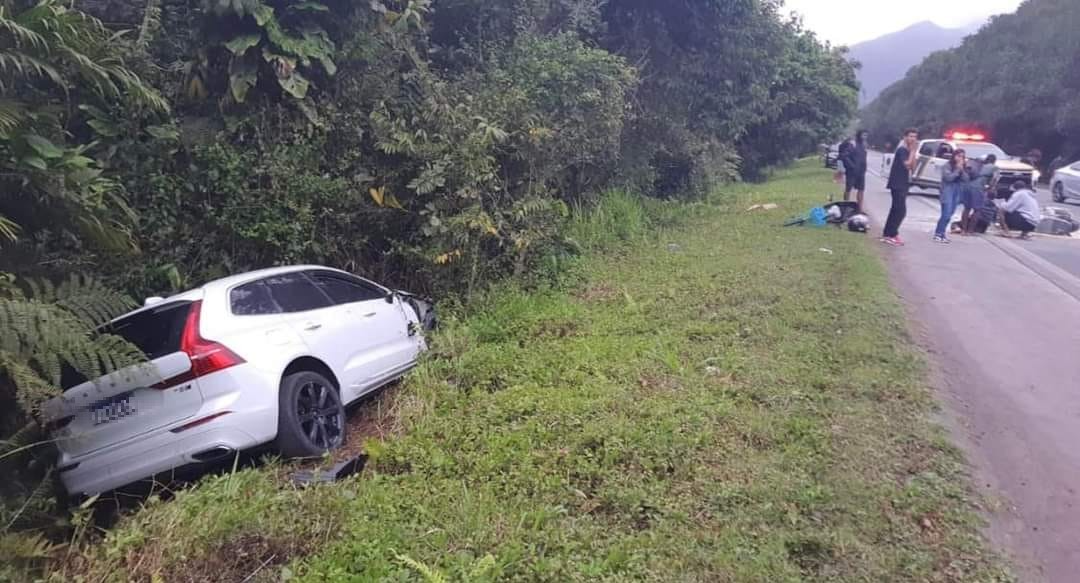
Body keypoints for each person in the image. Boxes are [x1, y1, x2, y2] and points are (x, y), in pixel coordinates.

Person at [883, 128, 919, 246]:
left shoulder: (909, 151)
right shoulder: (902, 150)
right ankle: (892, 234)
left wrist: (913, 154)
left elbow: (912, 168)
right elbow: (906, 164)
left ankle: (888, 233)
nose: (912, 139)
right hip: (897, 183)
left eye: (914, 136)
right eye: (910, 136)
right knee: (900, 211)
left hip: (904, 183)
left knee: (895, 209)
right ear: (905, 137)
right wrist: (913, 151)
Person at [935, 149, 972, 243]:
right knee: (946, 214)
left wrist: (962, 170)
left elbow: (966, 179)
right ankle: (938, 234)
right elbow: (948, 178)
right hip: (947, 191)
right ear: (954, 156)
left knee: (950, 214)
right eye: (958, 156)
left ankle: (942, 233)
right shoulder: (947, 166)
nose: (960, 159)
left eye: (962, 157)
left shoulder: (963, 167)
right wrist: (957, 170)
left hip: (957, 191)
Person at [961, 154, 999, 235]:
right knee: (977, 210)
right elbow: (995, 178)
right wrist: (990, 188)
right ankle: (970, 231)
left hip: (967, 186)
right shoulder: (994, 168)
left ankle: (963, 230)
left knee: (966, 208)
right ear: (994, 161)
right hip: (978, 189)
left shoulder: (979, 165)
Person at [841, 130, 869, 212]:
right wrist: (852, 166)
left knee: (861, 189)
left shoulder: (864, 145)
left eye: (866, 135)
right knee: (848, 189)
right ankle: (845, 208)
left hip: (861, 172)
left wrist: (865, 168)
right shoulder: (853, 144)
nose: (865, 137)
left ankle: (859, 209)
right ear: (859, 135)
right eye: (863, 135)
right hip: (852, 172)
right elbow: (844, 156)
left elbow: (864, 158)